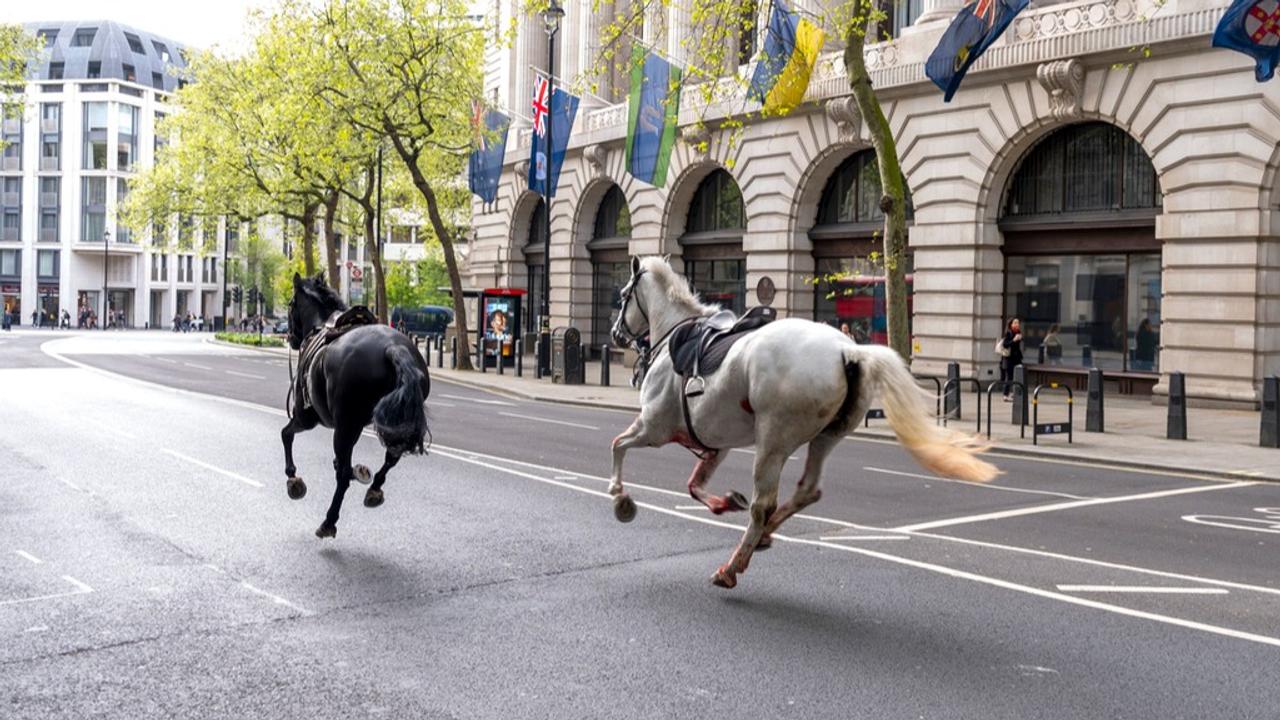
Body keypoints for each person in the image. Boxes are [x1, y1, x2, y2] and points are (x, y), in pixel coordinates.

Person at [999, 318, 1024, 401]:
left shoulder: (1018, 332)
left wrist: (1020, 338)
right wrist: (1014, 340)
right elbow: (1005, 344)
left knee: (1019, 374)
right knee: (1009, 377)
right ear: (1011, 324)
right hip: (1009, 358)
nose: (1017, 324)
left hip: (1017, 358)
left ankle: (1015, 393)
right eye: (1015, 323)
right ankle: (1005, 395)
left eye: (1018, 323)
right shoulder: (1009, 333)